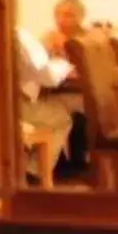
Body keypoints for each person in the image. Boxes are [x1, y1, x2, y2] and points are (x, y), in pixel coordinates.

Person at [17, 28, 77, 184]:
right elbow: (48, 76)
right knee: (62, 117)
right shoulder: (21, 36)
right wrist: (64, 63)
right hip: (15, 108)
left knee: (58, 106)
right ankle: (34, 172)